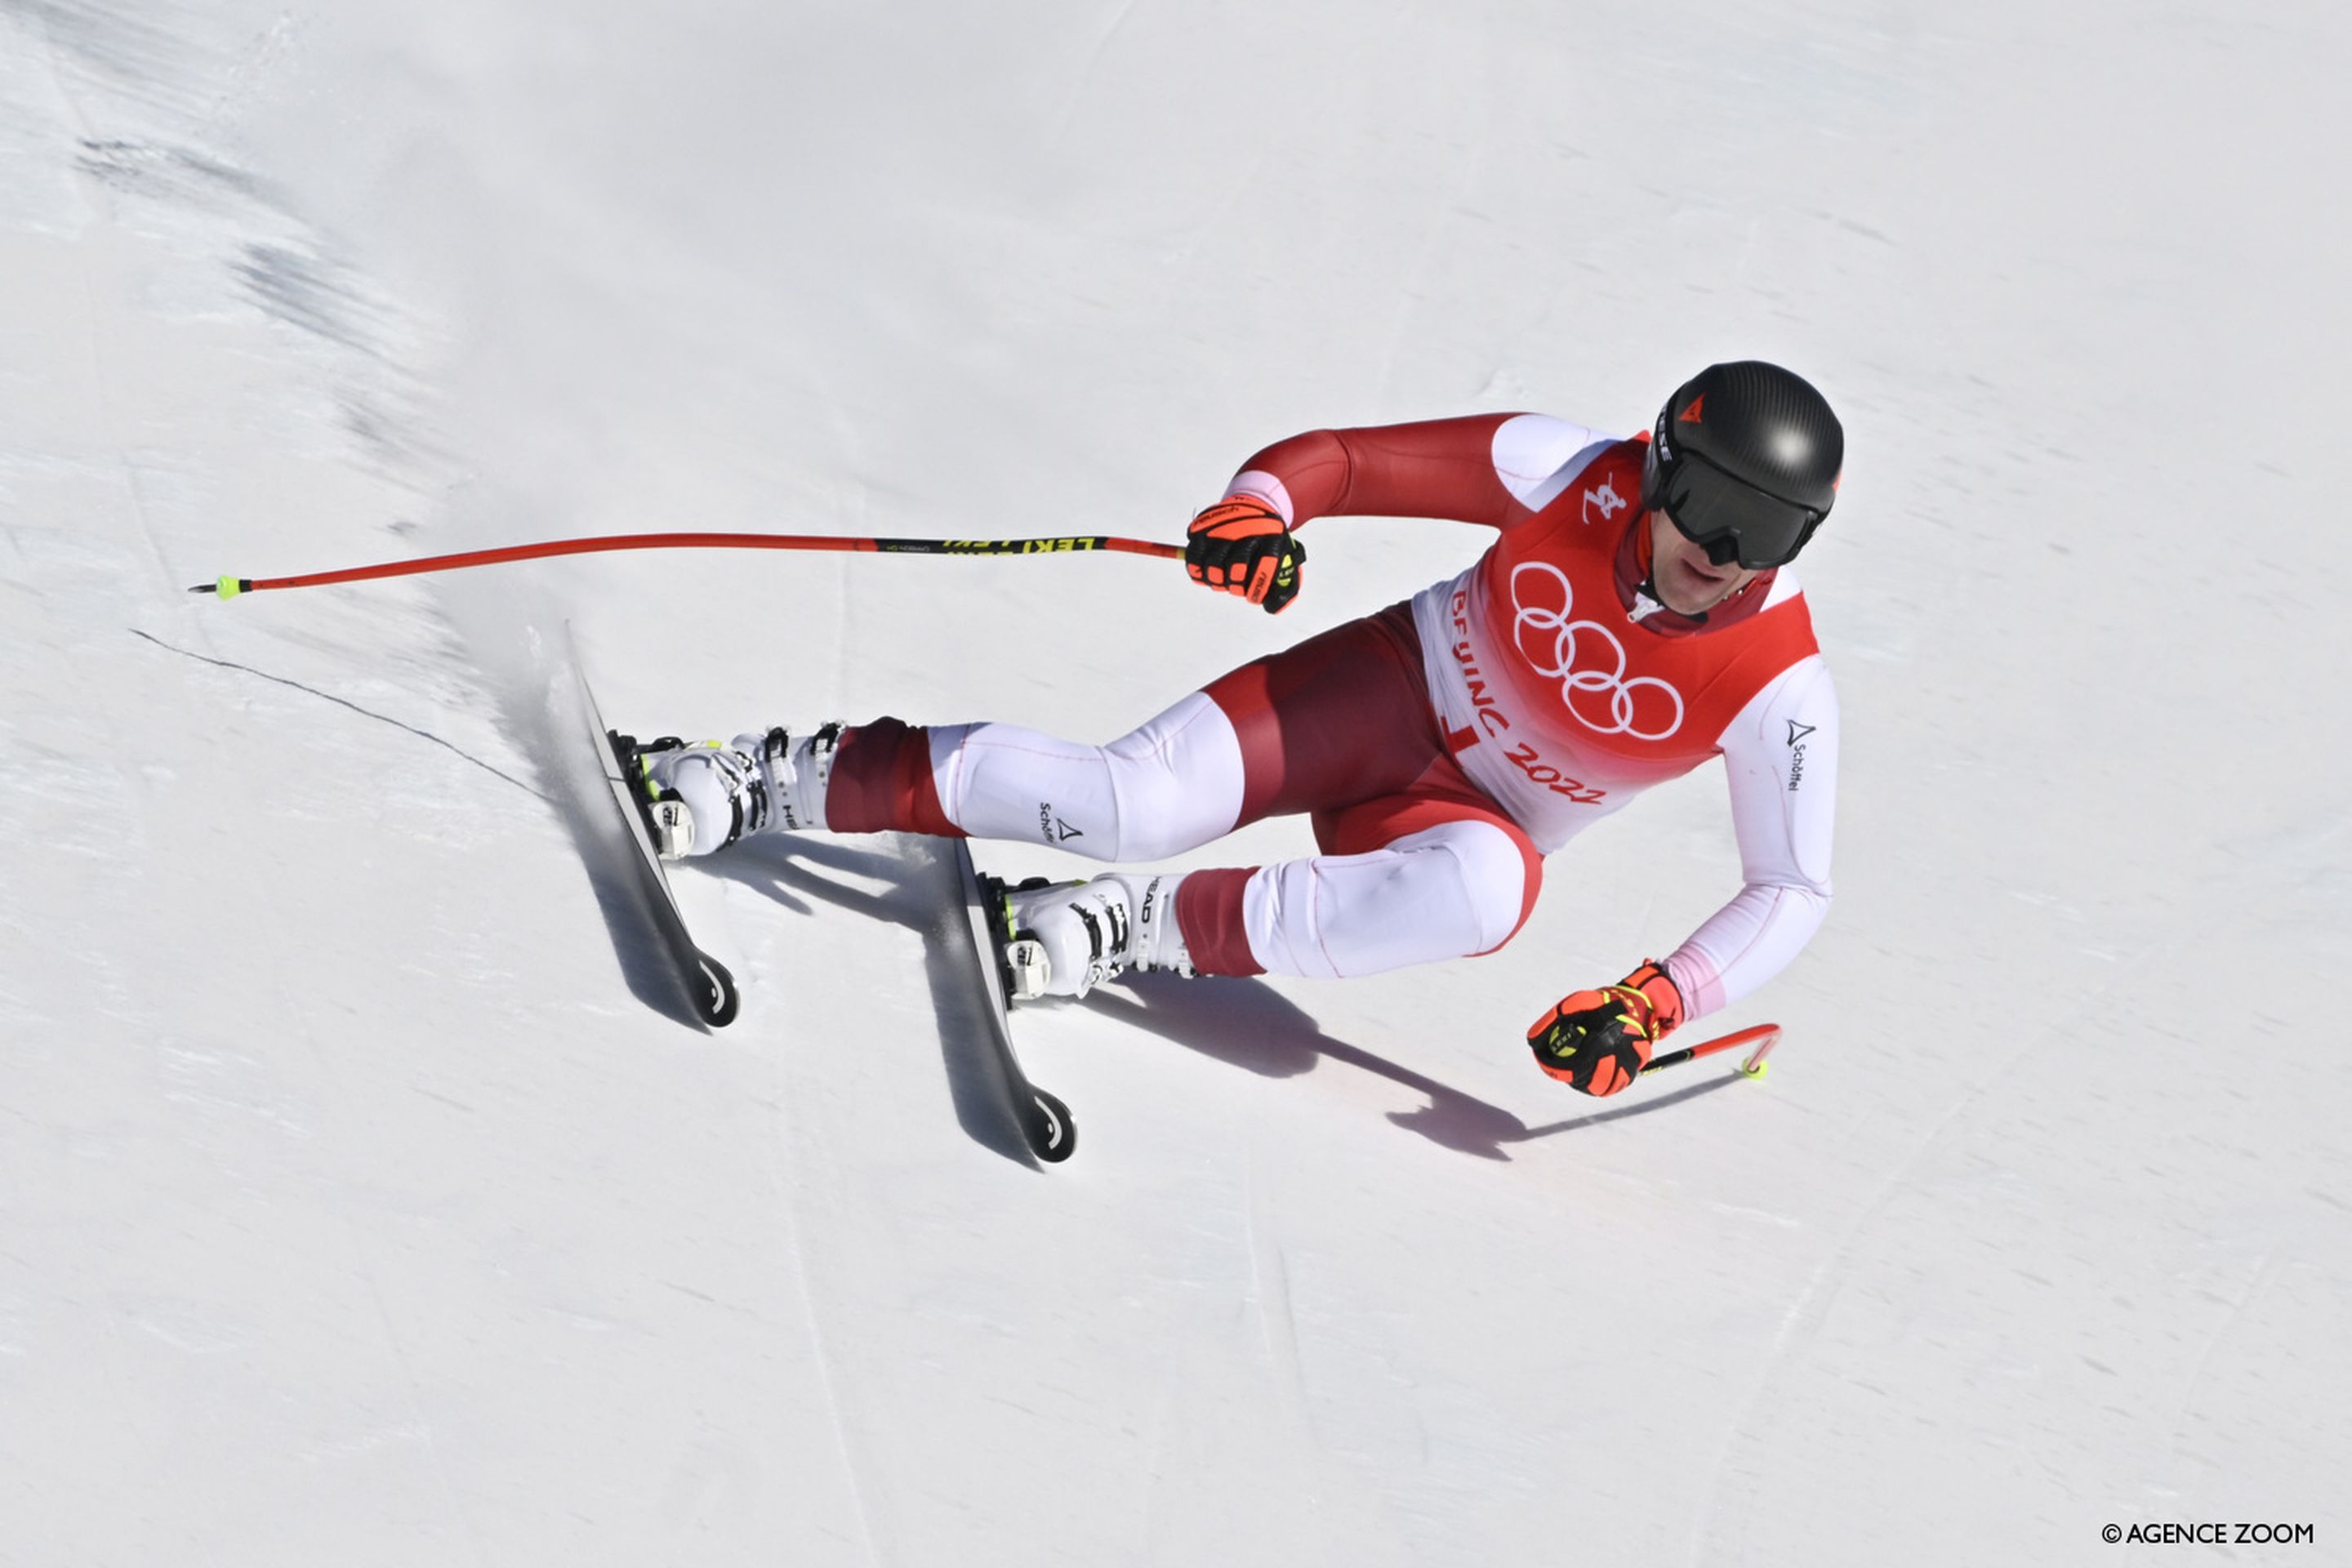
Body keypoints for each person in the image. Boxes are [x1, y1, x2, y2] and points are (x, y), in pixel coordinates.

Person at [637, 360, 1842, 1098]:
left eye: (1769, 532)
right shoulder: (1568, 470)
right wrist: (1259, 511)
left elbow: (1791, 884)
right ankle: (762, 778)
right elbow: (1342, 462)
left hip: (1454, 815)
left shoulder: (1778, 683)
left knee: (1491, 893)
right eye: (1707, 503)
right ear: (1660, 465)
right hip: (1375, 695)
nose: (1722, 554)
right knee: (1127, 805)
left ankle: (1118, 927)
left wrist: (1657, 1001)